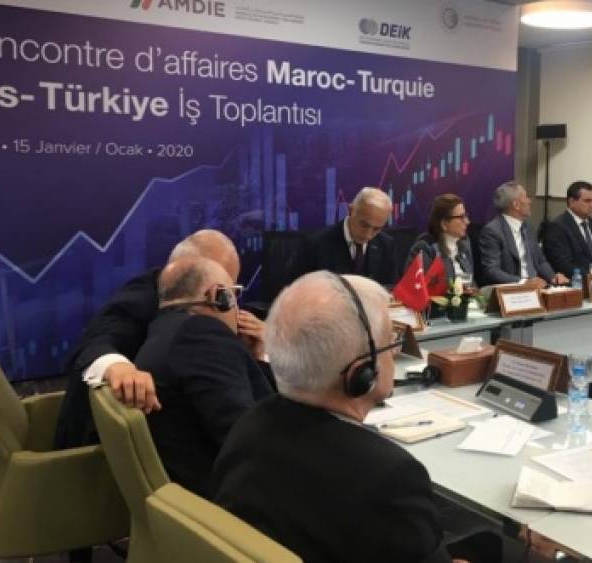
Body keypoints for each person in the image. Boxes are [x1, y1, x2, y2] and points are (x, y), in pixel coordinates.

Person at [211, 272, 484, 562]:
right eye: (391, 342)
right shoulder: (389, 475)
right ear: (360, 373)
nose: (395, 352)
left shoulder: (249, 425)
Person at [54, 230, 259, 450]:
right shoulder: (143, 299)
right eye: (223, 291)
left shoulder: (190, 314)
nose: (227, 302)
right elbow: (93, 344)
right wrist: (119, 367)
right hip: (97, 449)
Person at [137, 258, 274, 497]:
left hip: (184, 497)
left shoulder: (162, 331)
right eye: (234, 294)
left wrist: (256, 359)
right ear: (218, 296)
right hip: (232, 500)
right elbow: (248, 438)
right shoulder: (202, 334)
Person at [478, 181, 568, 288]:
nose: (530, 201)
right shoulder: (492, 231)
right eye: (526, 197)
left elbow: (540, 261)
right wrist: (523, 282)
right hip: (512, 289)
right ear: (516, 205)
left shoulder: (528, 227)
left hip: (536, 287)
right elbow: (492, 270)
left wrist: (553, 277)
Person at [312, 187, 398, 285]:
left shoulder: (386, 245)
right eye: (364, 225)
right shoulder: (316, 245)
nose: (368, 235)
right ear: (350, 210)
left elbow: (391, 290)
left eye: (376, 229)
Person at [543, 181, 592, 278]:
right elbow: (564, 265)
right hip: (580, 281)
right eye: (587, 201)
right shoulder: (557, 227)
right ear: (572, 202)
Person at [407, 193, 475, 285]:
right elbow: (417, 286)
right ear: (444, 224)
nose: (467, 222)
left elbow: (471, 282)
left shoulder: (464, 244)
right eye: (461, 217)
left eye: (466, 216)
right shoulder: (425, 247)